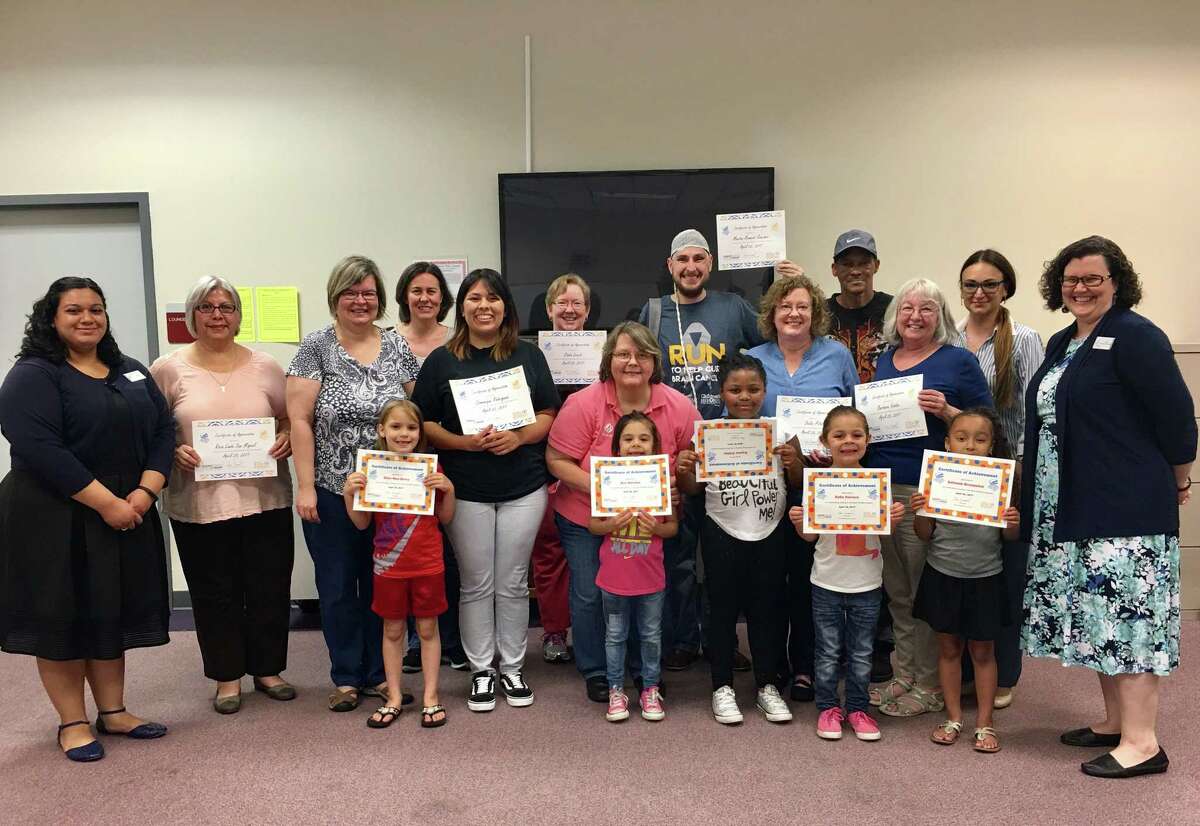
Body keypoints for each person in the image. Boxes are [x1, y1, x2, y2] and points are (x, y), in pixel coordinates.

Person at [1020, 236, 1195, 779]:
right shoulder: (1063, 341)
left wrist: (1179, 478)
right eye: (1071, 279)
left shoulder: (1137, 336)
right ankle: (1115, 721)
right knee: (1098, 618)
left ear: (1117, 283)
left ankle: (1144, 743)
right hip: (1071, 503)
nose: (1080, 288)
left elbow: (1176, 417)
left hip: (1124, 507)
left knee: (1129, 619)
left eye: (1093, 279)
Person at [0, 277, 171, 762]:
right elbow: (41, 449)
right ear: (51, 318)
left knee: (108, 610)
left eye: (96, 309)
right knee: (62, 617)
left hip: (126, 509)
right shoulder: (34, 374)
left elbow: (163, 430)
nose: (87, 318)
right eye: (74, 310)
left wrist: (143, 492)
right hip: (53, 515)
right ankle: (72, 722)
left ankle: (113, 711)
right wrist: (108, 503)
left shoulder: (130, 371)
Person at [411, 268, 559, 712]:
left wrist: (520, 436)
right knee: (476, 583)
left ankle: (512, 667)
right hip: (466, 487)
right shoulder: (442, 359)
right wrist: (465, 443)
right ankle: (481, 670)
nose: (484, 306)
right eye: (474, 298)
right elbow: (425, 423)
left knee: (513, 581)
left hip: (523, 485)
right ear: (462, 307)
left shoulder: (528, 356)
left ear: (505, 307)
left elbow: (549, 411)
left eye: (493, 298)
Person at [151, 276, 295, 714]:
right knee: (214, 591)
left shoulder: (267, 366)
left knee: (268, 585)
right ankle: (227, 677)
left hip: (265, 498)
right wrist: (172, 450)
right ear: (192, 316)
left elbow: (290, 417)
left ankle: (268, 670)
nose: (218, 315)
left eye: (227, 307)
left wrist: (287, 436)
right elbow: (152, 432)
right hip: (197, 503)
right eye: (208, 307)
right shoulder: (167, 369)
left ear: (238, 316)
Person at [287, 255, 420, 713]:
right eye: (351, 292)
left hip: (391, 493)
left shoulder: (397, 346)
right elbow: (300, 421)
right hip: (330, 487)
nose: (360, 301)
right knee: (340, 585)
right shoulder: (315, 347)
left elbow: (413, 415)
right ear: (335, 298)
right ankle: (346, 676)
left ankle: (381, 675)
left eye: (368, 293)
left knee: (382, 584)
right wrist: (305, 486)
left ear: (380, 299)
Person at [546, 322, 701, 703]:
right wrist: (603, 492)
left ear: (654, 361)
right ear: (608, 360)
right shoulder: (583, 403)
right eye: (622, 354)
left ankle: (643, 671)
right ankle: (597, 670)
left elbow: (694, 470)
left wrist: (681, 476)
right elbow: (556, 460)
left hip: (649, 523)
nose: (633, 362)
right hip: (586, 516)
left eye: (642, 354)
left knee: (649, 593)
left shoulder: (678, 406)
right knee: (589, 594)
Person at [638, 228, 762, 671]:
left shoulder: (733, 307)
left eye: (699, 259)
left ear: (710, 263)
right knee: (680, 556)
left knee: (727, 557)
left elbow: (772, 345)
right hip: (679, 451)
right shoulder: (654, 312)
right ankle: (683, 639)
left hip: (734, 453)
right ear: (670, 266)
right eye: (682, 260)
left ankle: (722, 641)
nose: (691, 267)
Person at [867, 278, 992, 718]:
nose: (915, 316)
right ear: (894, 316)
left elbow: (987, 425)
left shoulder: (958, 361)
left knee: (923, 590)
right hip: (884, 486)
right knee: (897, 590)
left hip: (929, 491)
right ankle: (904, 674)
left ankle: (928, 685)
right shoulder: (884, 360)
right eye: (907, 308)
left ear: (940, 316)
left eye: (926, 308)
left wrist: (948, 412)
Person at [745, 272, 857, 703]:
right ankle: (771, 666)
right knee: (770, 580)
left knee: (812, 581)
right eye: (785, 307)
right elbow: (734, 419)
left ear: (815, 314)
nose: (794, 314)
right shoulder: (752, 358)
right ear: (771, 314)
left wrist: (838, 452)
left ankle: (807, 667)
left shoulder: (837, 355)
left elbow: (852, 416)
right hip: (765, 488)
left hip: (821, 488)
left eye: (803, 307)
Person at [677, 354, 801, 725]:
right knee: (722, 609)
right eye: (735, 390)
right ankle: (721, 686)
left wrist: (794, 461)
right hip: (721, 529)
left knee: (768, 609)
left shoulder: (779, 431)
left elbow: (797, 484)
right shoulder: (709, 431)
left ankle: (767, 685)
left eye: (753, 389)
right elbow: (693, 489)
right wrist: (686, 468)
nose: (744, 397)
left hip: (769, 530)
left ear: (765, 391)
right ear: (721, 393)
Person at [956, 250, 1044, 710]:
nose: (979, 293)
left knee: (1004, 575)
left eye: (989, 284)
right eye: (970, 284)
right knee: (959, 569)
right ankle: (966, 670)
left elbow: (1034, 415)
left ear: (1006, 288)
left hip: (1008, 472)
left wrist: (1023, 476)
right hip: (955, 476)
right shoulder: (949, 338)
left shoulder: (1024, 339)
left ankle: (1004, 671)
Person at [790, 406, 904, 742]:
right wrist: (800, 523)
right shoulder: (818, 483)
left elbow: (883, 535)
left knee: (861, 651)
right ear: (825, 440)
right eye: (839, 435)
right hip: (825, 580)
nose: (848, 441)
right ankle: (828, 707)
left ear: (868, 439)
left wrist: (892, 522)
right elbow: (811, 537)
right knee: (826, 650)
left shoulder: (876, 484)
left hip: (867, 583)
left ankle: (857, 708)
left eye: (856, 435)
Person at [910, 408, 1020, 753]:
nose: (970, 446)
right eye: (961, 438)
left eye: (980, 439)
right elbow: (924, 534)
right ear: (947, 442)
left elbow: (1010, 539)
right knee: (948, 648)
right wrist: (921, 510)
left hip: (985, 577)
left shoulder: (1001, 482)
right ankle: (953, 717)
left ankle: (985, 722)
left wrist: (1011, 520)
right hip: (943, 574)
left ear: (991, 447)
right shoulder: (934, 480)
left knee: (983, 651)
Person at [343, 400, 455, 729]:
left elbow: (446, 518)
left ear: (420, 432)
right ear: (381, 430)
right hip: (388, 566)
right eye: (395, 427)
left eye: (411, 427)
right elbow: (362, 524)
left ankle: (431, 697)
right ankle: (393, 697)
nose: (404, 434)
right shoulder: (370, 470)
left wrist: (449, 490)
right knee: (392, 630)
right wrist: (351, 494)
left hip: (428, 564)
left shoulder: (431, 471)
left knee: (427, 629)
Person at [393, 261, 466, 674]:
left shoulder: (458, 342)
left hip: (449, 459)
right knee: (402, 553)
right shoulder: (387, 344)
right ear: (405, 295)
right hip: (398, 469)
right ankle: (411, 644)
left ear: (444, 298)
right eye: (417, 290)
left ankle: (450, 640)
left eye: (433, 291)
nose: (424, 298)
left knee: (446, 557)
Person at [589, 412, 677, 723]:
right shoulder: (606, 479)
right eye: (627, 439)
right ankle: (616, 690)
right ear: (616, 448)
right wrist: (610, 523)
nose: (635, 444)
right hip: (613, 578)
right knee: (615, 636)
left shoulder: (662, 483)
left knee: (651, 635)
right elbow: (593, 526)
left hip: (651, 578)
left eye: (643, 439)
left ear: (655, 447)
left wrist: (657, 527)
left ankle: (650, 688)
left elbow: (672, 529)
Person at [530, 273, 593, 665]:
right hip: (543, 468)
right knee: (549, 555)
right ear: (549, 309)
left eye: (577, 304)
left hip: (589, 469)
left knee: (592, 557)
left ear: (587, 311)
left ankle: (594, 631)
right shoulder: (531, 357)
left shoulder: (604, 356)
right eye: (562, 303)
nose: (569, 310)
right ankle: (554, 631)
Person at [825, 230, 893, 383]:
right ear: (834, 269)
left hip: (885, 402)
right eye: (847, 264)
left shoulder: (895, 309)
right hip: (834, 403)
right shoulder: (819, 314)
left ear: (876, 266)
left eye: (863, 263)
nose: (855, 271)